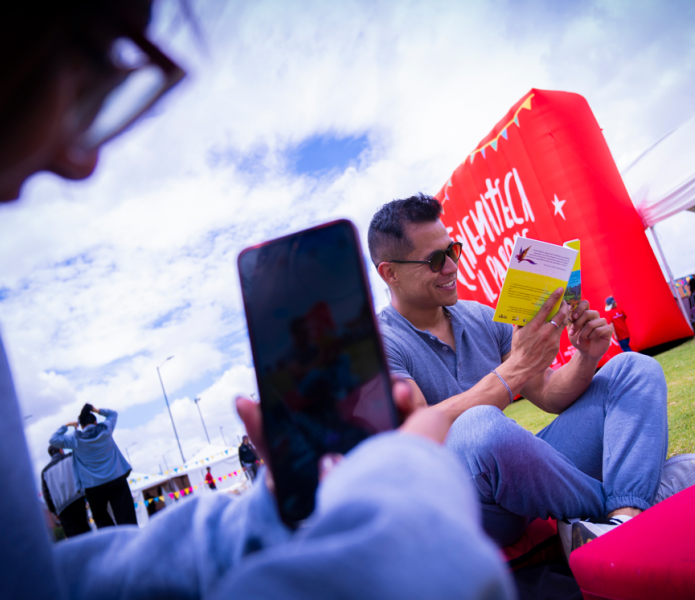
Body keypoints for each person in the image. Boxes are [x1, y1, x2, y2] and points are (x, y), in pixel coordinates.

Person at [0, 2, 512, 598]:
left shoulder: (477, 315)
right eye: (83, 72)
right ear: (389, 273)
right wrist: (405, 480)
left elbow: (49, 580)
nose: (81, 159)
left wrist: (270, 509)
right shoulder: (392, 338)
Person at [369, 194, 695, 555]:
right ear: (389, 272)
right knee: (479, 427)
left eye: (453, 250)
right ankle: (643, 497)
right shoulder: (378, 344)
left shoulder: (479, 316)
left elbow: (550, 392)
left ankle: (623, 519)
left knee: (635, 368)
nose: (451, 267)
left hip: (518, 479)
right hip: (461, 506)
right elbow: (418, 433)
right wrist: (514, 370)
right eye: (435, 260)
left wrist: (586, 357)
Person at [49, 404, 137, 528]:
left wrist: (67, 425)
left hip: (93, 486)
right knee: (126, 516)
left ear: (81, 425)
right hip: (116, 479)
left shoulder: (75, 439)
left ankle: (114, 543)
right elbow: (113, 414)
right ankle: (133, 541)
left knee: (101, 520)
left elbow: (54, 440)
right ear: (95, 422)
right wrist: (97, 410)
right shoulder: (106, 429)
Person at [41, 446, 91, 538]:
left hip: (62, 507)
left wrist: (54, 511)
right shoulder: (70, 458)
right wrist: (86, 495)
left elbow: (46, 494)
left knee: (73, 535)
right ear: (60, 450)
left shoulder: (45, 471)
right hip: (77, 499)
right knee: (84, 527)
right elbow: (81, 476)